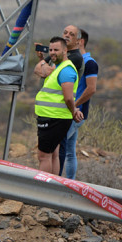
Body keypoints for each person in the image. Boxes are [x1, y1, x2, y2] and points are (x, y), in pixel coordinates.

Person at [33, 36, 83, 174]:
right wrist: (41, 58)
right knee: (53, 153)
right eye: (51, 50)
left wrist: (74, 111)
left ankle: (43, 190)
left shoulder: (66, 70)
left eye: (56, 49)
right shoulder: (58, 67)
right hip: (53, 117)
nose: (53, 52)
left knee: (44, 156)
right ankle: (52, 188)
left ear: (65, 50)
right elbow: (39, 71)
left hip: (54, 118)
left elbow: (68, 98)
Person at [59, 28, 98, 180]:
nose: (67, 37)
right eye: (65, 33)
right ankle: (70, 183)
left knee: (59, 148)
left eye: (72, 35)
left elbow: (91, 89)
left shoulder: (89, 63)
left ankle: (56, 184)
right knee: (70, 150)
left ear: (80, 41)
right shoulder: (72, 60)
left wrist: (74, 105)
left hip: (76, 113)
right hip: (71, 111)